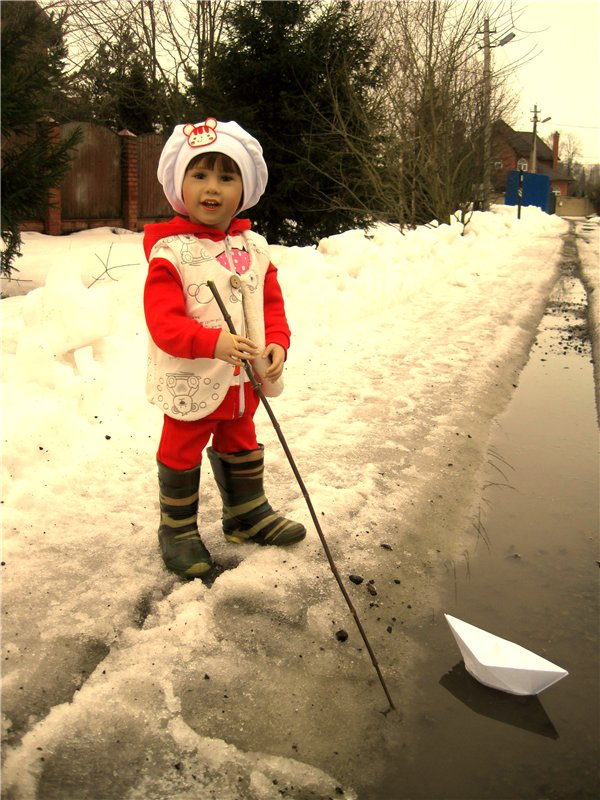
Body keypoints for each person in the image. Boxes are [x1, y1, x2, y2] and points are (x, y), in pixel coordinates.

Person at [143, 118, 306, 579]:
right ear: (181, 185)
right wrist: (209, 341)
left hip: (242, 381)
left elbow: (270, 305)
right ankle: (176, 528)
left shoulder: (254, 248)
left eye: (226, 176)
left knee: (241, 439)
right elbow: (163, 323)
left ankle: (245, 513)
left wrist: (276, 343)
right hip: (190, 383)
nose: (212, 188)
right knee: (181, 447)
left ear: (244, 189)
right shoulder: (171, 253)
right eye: (200, 175)